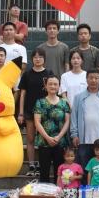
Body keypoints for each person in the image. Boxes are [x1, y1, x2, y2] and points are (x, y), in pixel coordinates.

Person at [70, 70, 99, 171]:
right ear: (86, 79)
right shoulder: (78, 97)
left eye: (96, 78)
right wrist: (74, 134)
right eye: (91, 78)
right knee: (84, 169)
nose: (93, 80)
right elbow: (74, 117)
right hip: (83, 139)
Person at [19, 49, 54, 177]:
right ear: (32, 59)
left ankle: (41, 164)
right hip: (30, 110)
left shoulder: (49, 73)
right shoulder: (27, 74)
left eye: (40, 57)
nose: (37, 59)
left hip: (45, 111)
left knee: (43, 139)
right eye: (35, 57)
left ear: (44, 59)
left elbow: (53, 91)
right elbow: (23, 94)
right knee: (30, 138)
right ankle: (31, 164)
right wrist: (21, 113)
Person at [33, 75, 71, 183]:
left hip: (60, 142)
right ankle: (45, 193)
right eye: (50, 84)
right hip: (44, 141)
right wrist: (48, 138)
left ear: (59, 86)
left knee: (59, 173)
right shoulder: (40, 102)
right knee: (44, 172)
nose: (53, 86)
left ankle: (58, 193)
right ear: (45, 86)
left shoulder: (64, 102)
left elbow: (67, 121)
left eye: (55, 84)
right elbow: (37, 122)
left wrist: (58, 137)